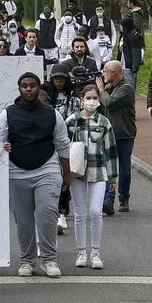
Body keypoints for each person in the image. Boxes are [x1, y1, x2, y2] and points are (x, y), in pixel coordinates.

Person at [0, 72, 70, 279]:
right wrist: (3, 147)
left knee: (47, 215)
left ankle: (48, 259)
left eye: (32, 85)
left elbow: (62, 144)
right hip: (16, 172)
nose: (28, 89)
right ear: (19, 89)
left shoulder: (52, 114)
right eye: (24, 86)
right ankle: (27, 261)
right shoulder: (6, 115)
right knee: (24, 221)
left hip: (47, 169)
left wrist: (67, 173)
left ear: (38, 88)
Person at [65, 85, 118, 269]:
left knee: (95, 212)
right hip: (77, 172)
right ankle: (81, 252)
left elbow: (111, 150)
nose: (92, 101)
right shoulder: (72, 120)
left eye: (95, 97)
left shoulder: (104, 122)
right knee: (80, 213)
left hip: (99, 170)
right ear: (82, 98)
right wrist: (64, 173)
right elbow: (63, 147)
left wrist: (113, 177)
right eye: (88, 97)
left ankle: (95, 252)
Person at [43, 64, 81, 234]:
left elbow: (77, 119)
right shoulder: (45, 97)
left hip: (68, 142)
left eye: (61, 79)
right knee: (54, 179)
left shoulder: (74, 97)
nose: (58, 82)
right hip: (48, 143)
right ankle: (54, 211)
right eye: (55, 79)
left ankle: (62, 212)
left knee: (65, 177)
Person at [97, 61, 136, 214]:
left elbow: (110, 103)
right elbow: (101, 106)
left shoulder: (126, 88)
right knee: (108, 168)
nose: (103, 74)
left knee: (124, 167)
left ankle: (124, 198)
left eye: (105, 71)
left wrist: (100, 89)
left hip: (124, 133)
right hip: (108, 133)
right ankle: (109, 200)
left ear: (114, 73)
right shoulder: (109, 87)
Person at [118, 17, 144, 88]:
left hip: (129, 67)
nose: (119, 26)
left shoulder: (133, 38)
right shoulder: (122, 37)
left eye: (121, 25)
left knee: (129, 87)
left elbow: (136, 54)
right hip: (121, 65)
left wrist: (134, 68)